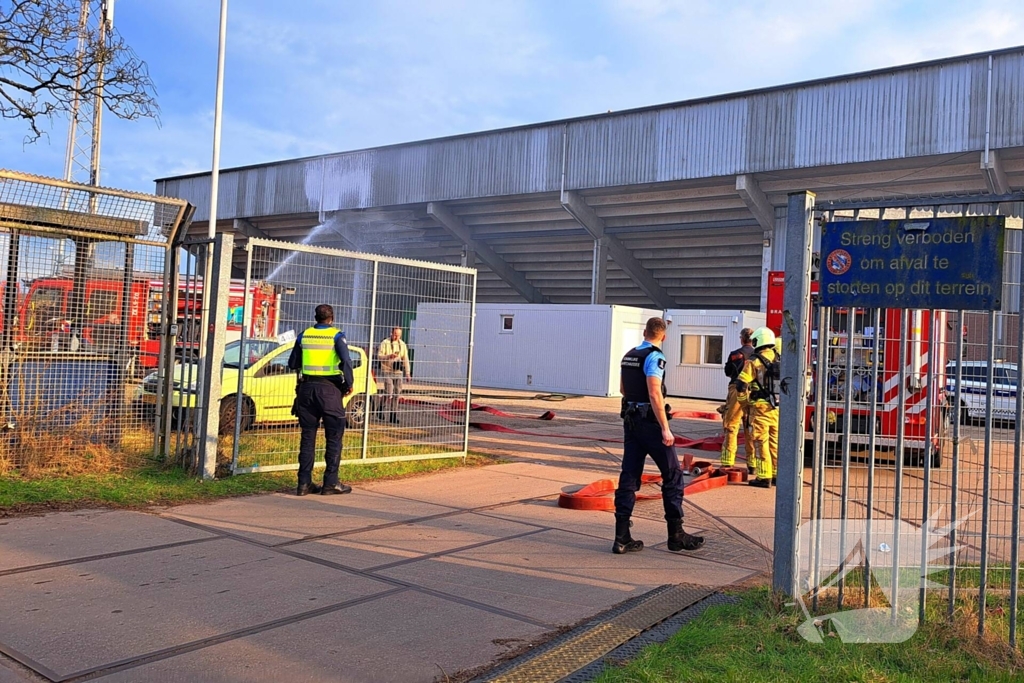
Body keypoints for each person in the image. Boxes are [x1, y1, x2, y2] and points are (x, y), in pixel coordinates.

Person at [613, 317, 705, 554]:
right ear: (663, 336)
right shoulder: (655, 357)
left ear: (645, 332)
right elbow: (655, 393)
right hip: (650, 423)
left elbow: (623, 390)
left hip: (630, 421)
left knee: (629, 475)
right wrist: (665, 428)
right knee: (672, 474)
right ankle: (676, 535)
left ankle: (622, 537)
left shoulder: (629, 355)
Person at [287, 304, 354, 496]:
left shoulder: (303, 335)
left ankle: (303, 484)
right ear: (331, 318)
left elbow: (292, 363)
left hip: (306, 391)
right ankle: (330, 483)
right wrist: (349, 383)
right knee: (334, 437)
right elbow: (346, 361)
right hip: (330, 391)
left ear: (315, 317)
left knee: (308, 437)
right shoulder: (337, 335)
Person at [735, 327, 781, 489]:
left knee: (761, 441)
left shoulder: (754, 361)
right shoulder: (778, 358)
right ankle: (776, 474)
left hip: (759, 408)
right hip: (776, 408)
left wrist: (744, 404)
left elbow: (741, 385)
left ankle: (763, 477)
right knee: (775, 442)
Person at [720, 327, 755, 473]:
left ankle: (728, 463)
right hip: (753, 391)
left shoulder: (735, 355)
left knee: (731, 425)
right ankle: (752, 464)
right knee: (750, 428)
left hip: (736, 389)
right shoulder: (758, 356)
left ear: (742, 339)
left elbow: (728, 372)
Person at [377, 326, 411, 424]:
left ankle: (393, 414)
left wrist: (408, 373)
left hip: (398, 372)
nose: (397, 337)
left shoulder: (402, 344)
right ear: (391, 333)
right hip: (387, 370)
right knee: (389, 392)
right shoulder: (385, 343)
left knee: (397, 394)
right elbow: (379, 356)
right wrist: (388, 356)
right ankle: (380, 408)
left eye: (399, 335)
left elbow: (406, 359)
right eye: (395, 334)